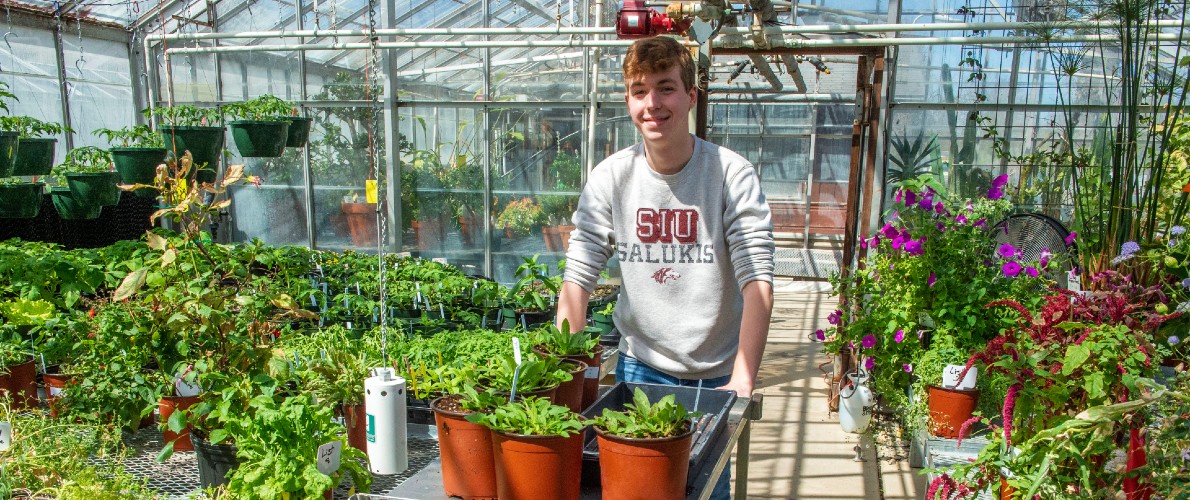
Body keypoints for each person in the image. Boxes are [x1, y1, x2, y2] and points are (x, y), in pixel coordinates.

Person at [554, 36, 775, 499]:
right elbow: (578, 275)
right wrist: (564, 373)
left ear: (691, 96)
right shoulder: (612, 177)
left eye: (666, 88)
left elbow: (757, 281)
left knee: (705, 489)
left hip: (716, 376)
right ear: (628, 99)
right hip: (642, 370)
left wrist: (742, 378)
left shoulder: (729, 174)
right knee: (636, 490)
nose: (652, 103)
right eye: (639, 90)